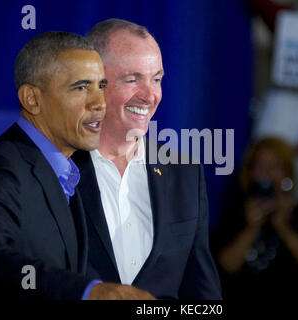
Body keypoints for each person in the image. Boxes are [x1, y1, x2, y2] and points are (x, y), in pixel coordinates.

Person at [0, 31, 151, 300]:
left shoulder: (69, 168)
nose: (100, 103)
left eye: (101, 86)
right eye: (82, 87)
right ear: (32, 99)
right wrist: (88, 292)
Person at [71, 19, 222, 300]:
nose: (150, 95)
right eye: (132, 79)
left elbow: (202, 293)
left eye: (156, 79)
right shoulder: (56, 170)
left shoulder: (185, 174)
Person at [211, 137, 298, 300]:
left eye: (275, 166)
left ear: (288, 174)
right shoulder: (235, 211)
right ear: (250, 172)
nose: (268, 173)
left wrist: (283, 227)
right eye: (260, 166)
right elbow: (225, 267)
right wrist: (251, 228)